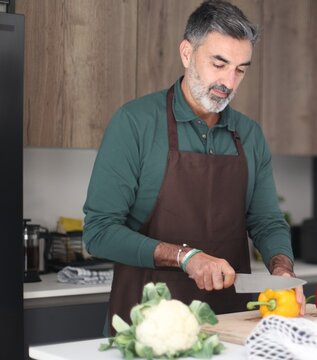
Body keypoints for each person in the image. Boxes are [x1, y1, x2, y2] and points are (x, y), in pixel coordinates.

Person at [82, 0, 304, 332]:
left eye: (240, 69)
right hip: (148, 325)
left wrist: (283, 270)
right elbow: (99, 232)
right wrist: (187, 257)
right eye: (219, 63)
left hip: (231, 324)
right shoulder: (135, 122)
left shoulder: (249, 135)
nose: (229, 81)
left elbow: (267, 222)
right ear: (187, 53)